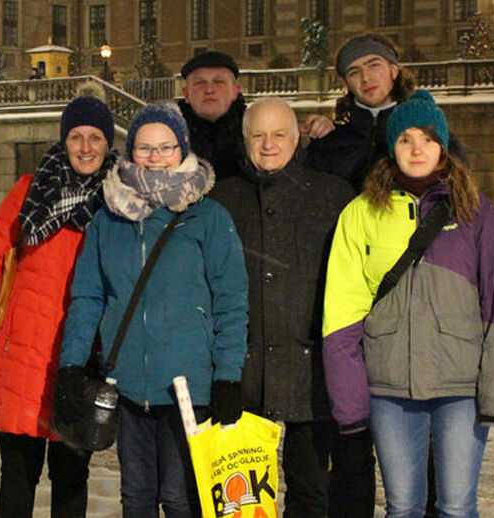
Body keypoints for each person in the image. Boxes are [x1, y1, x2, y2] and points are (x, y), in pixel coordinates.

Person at [323, 90, 494, 518]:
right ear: (391, 147)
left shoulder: (476, 213)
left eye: (428, 139)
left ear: (443, 147)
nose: (417, 149)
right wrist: (350, 402)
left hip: (460, 389)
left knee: (455, 506)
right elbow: (341, 313)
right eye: (406, 139)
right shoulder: (360, 214)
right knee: (403, 507)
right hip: (390, 389)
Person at [55, 102, 249, 518]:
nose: (156, 157)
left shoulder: (208, 217)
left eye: (166, 147)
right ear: (130, 153)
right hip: (127, 386)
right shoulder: (110, 218)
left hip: (187, 389)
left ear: (183, 149)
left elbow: (232, 302)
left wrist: (229, 376)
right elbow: (89, 297)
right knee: (137, 496)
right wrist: (71, 364)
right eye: (145, 148)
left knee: (180, 498)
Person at [0, 95, 118, 518]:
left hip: (80, 359)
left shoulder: (121, 198)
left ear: (108, 143)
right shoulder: (31, 189)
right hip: (22, 357)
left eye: (96, 137)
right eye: (76, 137)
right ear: (64, 140)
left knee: (71, 478)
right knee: (17, 473)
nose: (86, 147)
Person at [208, 99, 355, 518]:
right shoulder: (223, 199)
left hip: (310, 374)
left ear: (297, 139)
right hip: (243, 373)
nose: (268, 144)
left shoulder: (332, 195)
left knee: (310, 490)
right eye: (258, 135)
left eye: (278, 134)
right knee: (241, 500)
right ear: (245, 140)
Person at [307, 34, 464, 191]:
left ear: (394, 71)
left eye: (374, 65)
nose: (366, 78)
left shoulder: (432, 133)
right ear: (347, 84)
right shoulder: (330, 142)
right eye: (354, 72)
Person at [178, 51, 332, 182]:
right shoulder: (169, 134)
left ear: (235, 90)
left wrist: (321, 134)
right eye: (200, 83)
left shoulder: (259, 127)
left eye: (219, 82)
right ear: (186, 93)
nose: (209, 89)